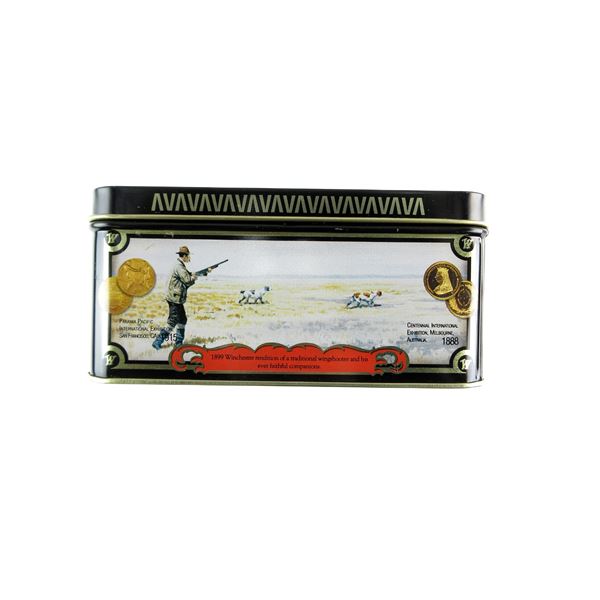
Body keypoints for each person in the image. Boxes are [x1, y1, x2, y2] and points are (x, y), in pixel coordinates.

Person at [152, 246, 209, 349]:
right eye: (188, 256)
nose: (189, 258)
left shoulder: (180, 265)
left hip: (175, 297)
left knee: (182, 320)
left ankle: (178, 343)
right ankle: (157, 342)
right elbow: (187, 280)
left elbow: (188, 275)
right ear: (184, 256)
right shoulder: (179, 266)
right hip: (174, 298)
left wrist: (202, 273)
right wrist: (194, 278)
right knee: (173, 320)